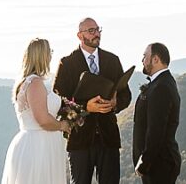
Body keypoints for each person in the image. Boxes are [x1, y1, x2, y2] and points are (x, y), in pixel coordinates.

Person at [53, 17, 131, 184]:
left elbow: (126, 95)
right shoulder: (67, 63)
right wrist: (84, 107)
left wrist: (115, 103)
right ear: (80, 36)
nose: (97, 34)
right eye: (91, 31)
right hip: (79, 140)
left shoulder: (113, 60)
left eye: (98, 29)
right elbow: (59, 101)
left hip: (108, 139)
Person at [1, 37, 72, 184]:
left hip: (40, 144)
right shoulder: (35, 83)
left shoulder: (30, 81)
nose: (51, 55)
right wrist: (63, 125)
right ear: (42, 55)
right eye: (49, 51)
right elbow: (43, 120)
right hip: (38, 147)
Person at [131, 43, 180, 184]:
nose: (142, 60)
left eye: (145, 56)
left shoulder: (161, 87)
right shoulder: (160, 83)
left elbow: (156, 129)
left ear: (156, 59)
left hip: (159, 164)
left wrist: (145, 162)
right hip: (156, 163)